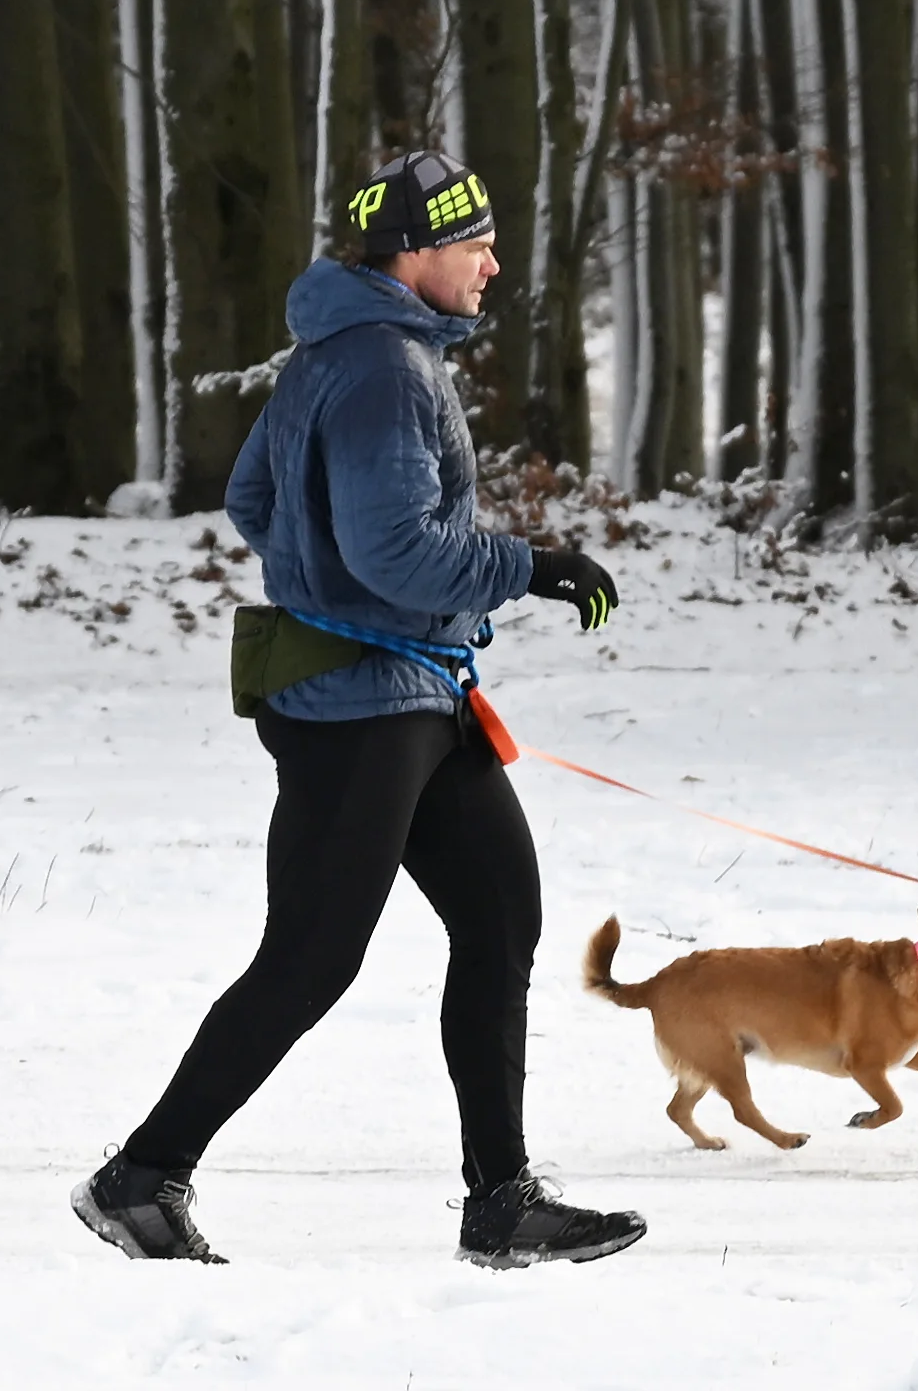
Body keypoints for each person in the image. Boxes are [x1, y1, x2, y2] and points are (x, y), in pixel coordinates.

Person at [72, 151, 642, 1269]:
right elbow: (396, 546)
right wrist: (528, 565)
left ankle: (501, 1200)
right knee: (311, 956)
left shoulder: (339, 350)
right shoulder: (386, 366)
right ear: (411, 254)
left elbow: (252, 497)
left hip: (410, 694)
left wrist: (327, 576)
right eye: (473, 241)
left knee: (498, 920)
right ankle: (140, 1176)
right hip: (359, 708)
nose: (491, 260)